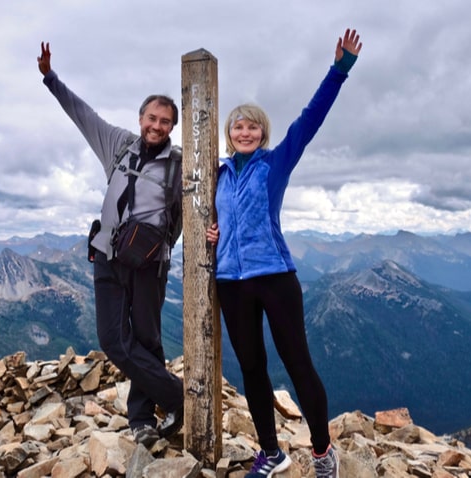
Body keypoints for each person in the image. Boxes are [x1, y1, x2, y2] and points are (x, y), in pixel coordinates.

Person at [206, 29, 362, 477]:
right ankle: (271, 453)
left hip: (275, 276)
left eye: (253, 125)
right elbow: (207, 215)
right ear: (229, 134)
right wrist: (214, 233)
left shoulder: (275, 163)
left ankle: (321, 451)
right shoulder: (216, 175)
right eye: (238, 125)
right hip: (231, 283)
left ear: (263, 133)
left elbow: (311, 119)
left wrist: (340, 69)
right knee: (252, 369)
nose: (245, 130)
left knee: (297, 364)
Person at [37, 42, 184, 447]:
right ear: (141, 118)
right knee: (113, 340)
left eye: (166, 121)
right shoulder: (118, 144)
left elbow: (204, 202)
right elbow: (82, 114)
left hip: (150, 263)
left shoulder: (179, 163)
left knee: (148, 341)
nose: (157, 126)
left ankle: (141, 421)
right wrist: (51, 79)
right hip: (107, 255)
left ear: (173, 126)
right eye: (152, 118)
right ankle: (177, 397)